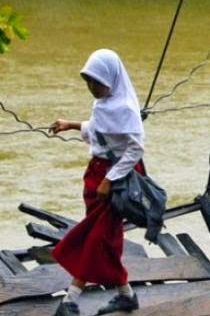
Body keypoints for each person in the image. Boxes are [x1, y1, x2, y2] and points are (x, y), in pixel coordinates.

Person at [49, 49, 144, 316]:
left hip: (115, 181)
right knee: (106, 240)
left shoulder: (125, 109)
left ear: (112, 80)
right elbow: (99, 129)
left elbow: (136, 149)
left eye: (97, 82)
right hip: (95, 176)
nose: (92, 87)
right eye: (88, 81)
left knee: (95, 238)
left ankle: (70, 300)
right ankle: (126, 295)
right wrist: (71, 125)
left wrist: (110, 180)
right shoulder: (103, 105)